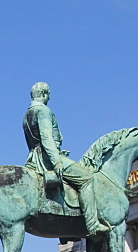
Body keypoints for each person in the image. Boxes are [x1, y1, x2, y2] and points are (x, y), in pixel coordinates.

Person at [23, 82, 106, 234]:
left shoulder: (28, 113)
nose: (48, 98)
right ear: (43, 94)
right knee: (86, 177)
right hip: (47, 158)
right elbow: (46, 138)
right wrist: (57, 161)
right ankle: (92, 224)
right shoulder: (43, 111)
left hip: (34, 156)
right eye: (48, 94)